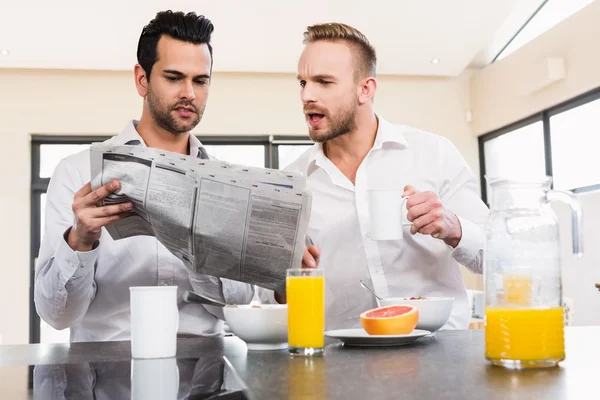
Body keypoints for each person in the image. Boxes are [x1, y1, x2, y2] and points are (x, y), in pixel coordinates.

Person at [35, 11, 257, 342]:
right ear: (142, 79)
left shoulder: (224, 184)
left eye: (200, 80)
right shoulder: (77, 172)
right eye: (173, 77)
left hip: (205, 380)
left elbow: (238, 303)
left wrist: (200, 248)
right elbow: (57, 315)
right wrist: (80, 240)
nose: (189, 94)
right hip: (106, 377)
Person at [289, 22, 489, 330]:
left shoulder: (434, 154)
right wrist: (284, 274)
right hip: (341, 363)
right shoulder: (293, 182)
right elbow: (274, 293)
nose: (307, 95)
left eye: (324, 82)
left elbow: (499, 261)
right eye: (303, 83)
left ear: (365, 89)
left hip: (440, 356)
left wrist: (454, 228)